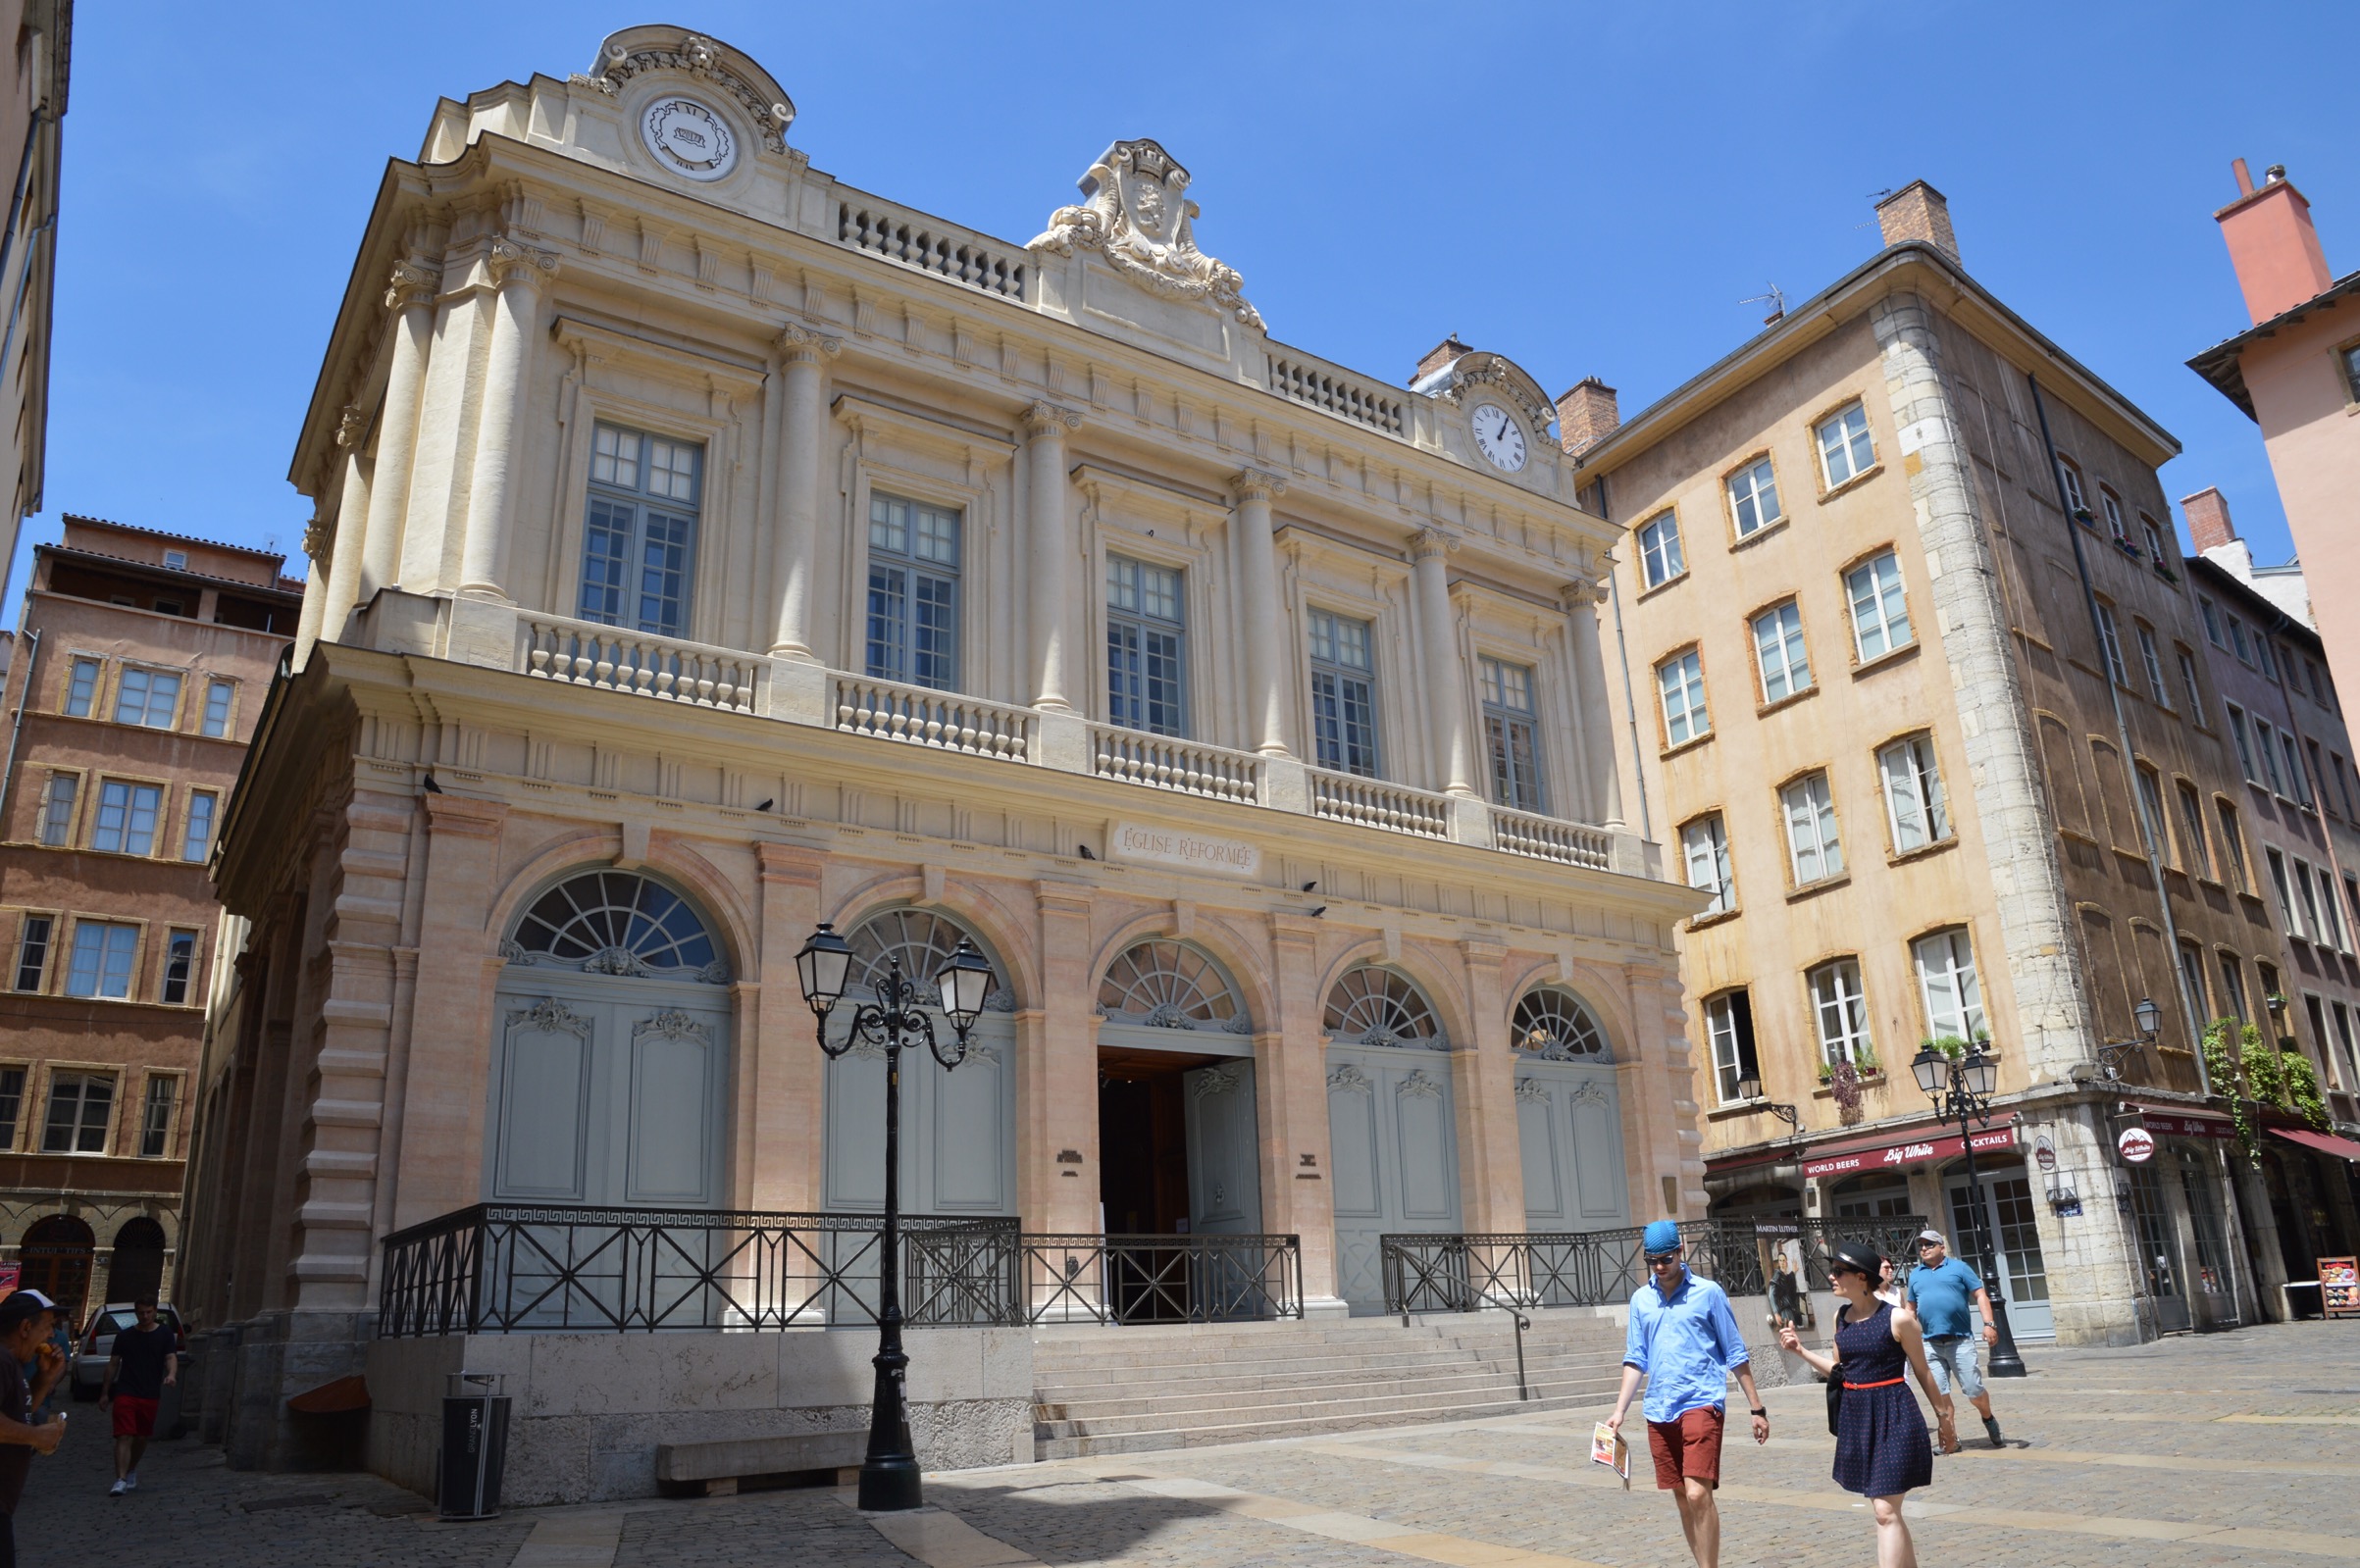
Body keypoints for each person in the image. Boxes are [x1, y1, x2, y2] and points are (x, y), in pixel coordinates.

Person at [1605, 1220, 1770, 1568]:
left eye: (1666, 1259)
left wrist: (1757, 1408)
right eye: (1653, 1261)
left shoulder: (1708, 1292)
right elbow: (1636, 1358)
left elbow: (1735, 1351)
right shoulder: (1640, 1300)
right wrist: (1619, 1410)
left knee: (1698, 1493)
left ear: (1681, 1252)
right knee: (1682, 1497)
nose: (1660, 1267)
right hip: (1658, 1408)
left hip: (1701, 1401)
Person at [1779, 1244, 1951, 1568]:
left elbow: (1922, 1369)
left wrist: (1944, 1417)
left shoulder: (1898, 1319)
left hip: (1895, 1414)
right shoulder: (1840, 1318)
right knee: (1889, 1513)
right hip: (1857, 1418)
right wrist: (1800, 1350)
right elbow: (1840, 1372)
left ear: (1861, 1277)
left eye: (1838, 1271)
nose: (1831, 1276)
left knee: (1885, 1511)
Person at [1905, 1228, 2005, 1449]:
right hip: (1930, 1344)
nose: (1924, 1248)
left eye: (1929, 1244)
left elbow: (1980, 1294)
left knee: (1974, 1391)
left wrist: (1989, 1324)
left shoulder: (1959, 1268)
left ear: (1942, 1247)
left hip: (1959, 1341)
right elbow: (1910, 1310)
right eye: (1921, 1245)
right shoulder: (1916, 1275)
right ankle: (1951, 1440)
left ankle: (1988, 1417)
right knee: (1940, 1395)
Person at [0, 1290, 68, 1566]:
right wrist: (37, 1436)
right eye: (48, 1327)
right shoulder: (2, 1360)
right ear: (26, 1328)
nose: (51, 1336)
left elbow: (17, 1415)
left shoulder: (14, 1363)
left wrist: (45, 1379)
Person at [98, 1299, 177, 1496]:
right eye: (141, 1313)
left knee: (141, 1437)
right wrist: (105, 1393)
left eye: (149, 1312)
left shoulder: (164, 1334)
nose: (145, 1316)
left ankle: (131, 1469)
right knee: (124, 1435)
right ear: (136, 1313)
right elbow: (113, 1364)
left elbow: (170, 1357)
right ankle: (120, 1479)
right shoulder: (125, 1337)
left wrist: (171, 1374)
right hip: (126, 1391)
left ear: (155, 1312)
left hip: (149, 1392)